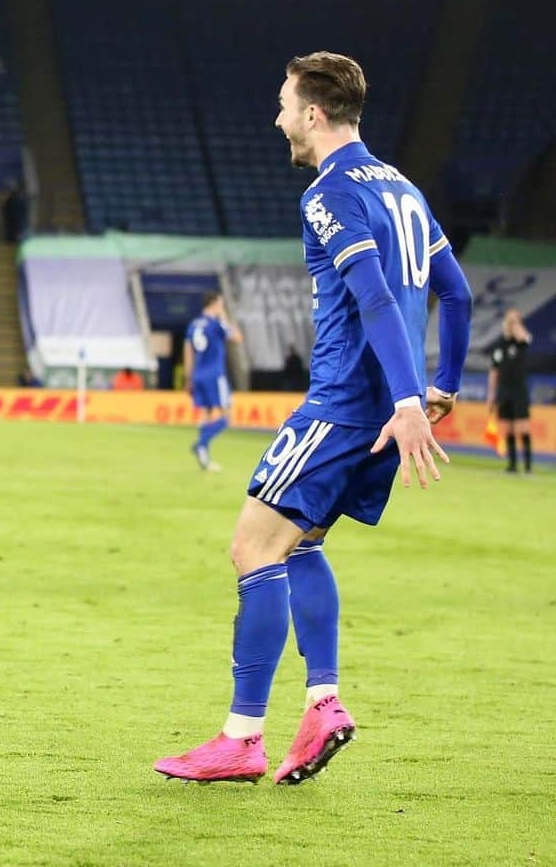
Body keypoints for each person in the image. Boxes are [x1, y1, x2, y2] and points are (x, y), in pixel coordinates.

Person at [154, 52, 472, 786]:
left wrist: (404, 400)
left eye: (283, 104)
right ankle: (323, 701)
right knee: (299, 548)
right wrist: (439, 387)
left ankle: (241, 738)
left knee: (251, 549)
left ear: (315, 114)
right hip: (383, 411)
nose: (277, 119)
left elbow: (377, 300)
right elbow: (452, 295)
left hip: (344, 406)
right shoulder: (401, 187)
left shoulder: (329, 194)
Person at [183, 292, 243, 472]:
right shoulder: (216, 324)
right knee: (227, 417)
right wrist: (223, 315)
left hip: (198, 375)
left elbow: (187, 352)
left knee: (206, 414)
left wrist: (188, 377)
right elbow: (237, 338)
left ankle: (204, 459)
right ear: (215, 304)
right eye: (221, 304)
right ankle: (201, 444)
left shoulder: (193, 325)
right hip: (215, 375)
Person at [487, 308, 533, 474]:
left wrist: (516, 324)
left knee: (523, 428)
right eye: (509, 321)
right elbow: (494, 372)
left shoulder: (521, 343)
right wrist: (491, 395)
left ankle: (528, 466)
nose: (511, 324)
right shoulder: (499, 346)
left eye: (514, 321)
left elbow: (525, 337)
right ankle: (512, 465)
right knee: (507, 429)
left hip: (519, 391)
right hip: (504, 391)